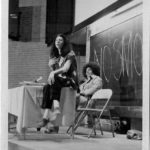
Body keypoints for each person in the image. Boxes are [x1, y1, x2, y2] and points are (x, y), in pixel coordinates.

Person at [37, 34, 78, 133]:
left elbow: (65, 69)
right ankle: (46, 117)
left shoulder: (70, 54)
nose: (57, 41)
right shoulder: (57, 56)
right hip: (60, 81)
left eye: (60, 40)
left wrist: (52, 72)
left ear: (64, 42)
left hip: (70, 80)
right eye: (56, 40)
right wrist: (52, 67)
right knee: (47, 86)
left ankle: (55, 107)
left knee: (53, 79)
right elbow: (56, 73)